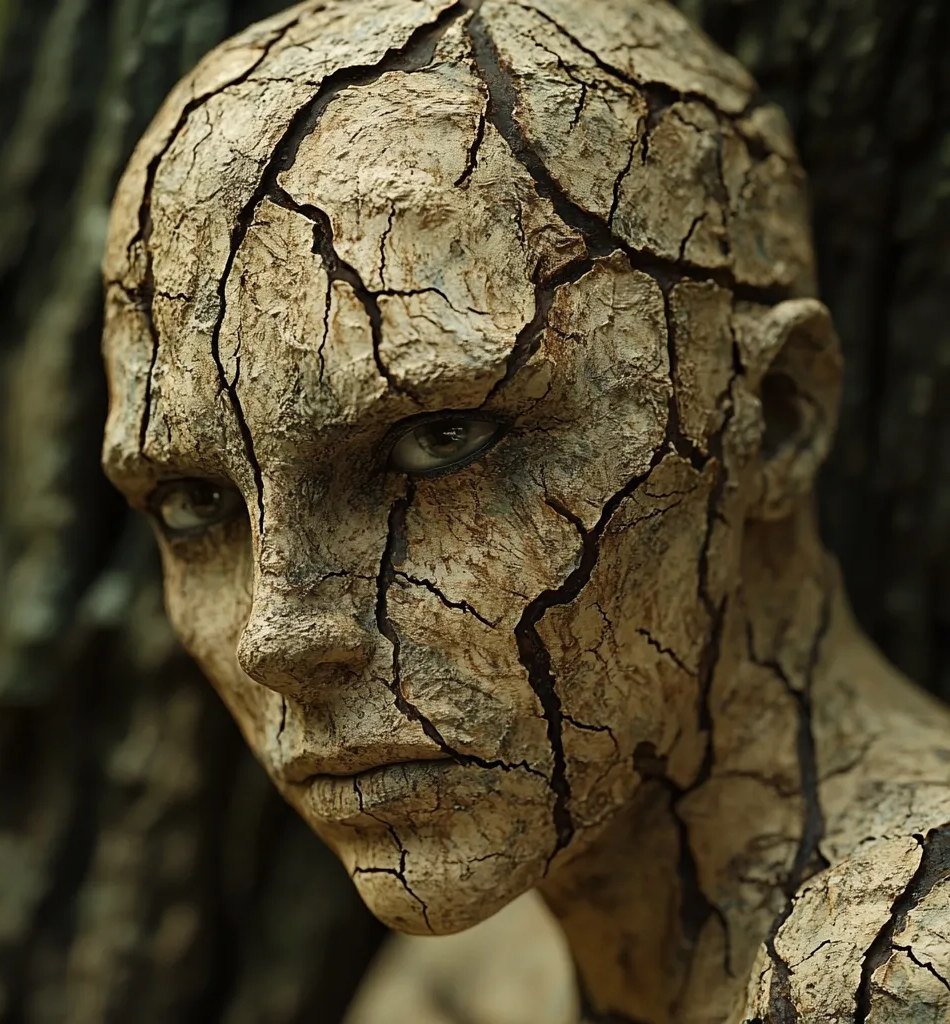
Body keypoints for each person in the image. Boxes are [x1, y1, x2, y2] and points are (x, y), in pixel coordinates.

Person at [100, 0, 950, 1018]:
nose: (277, 634)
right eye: (194, 502)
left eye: (439, 440)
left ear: (769, 415)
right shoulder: (475, 979)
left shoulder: (896, 976)